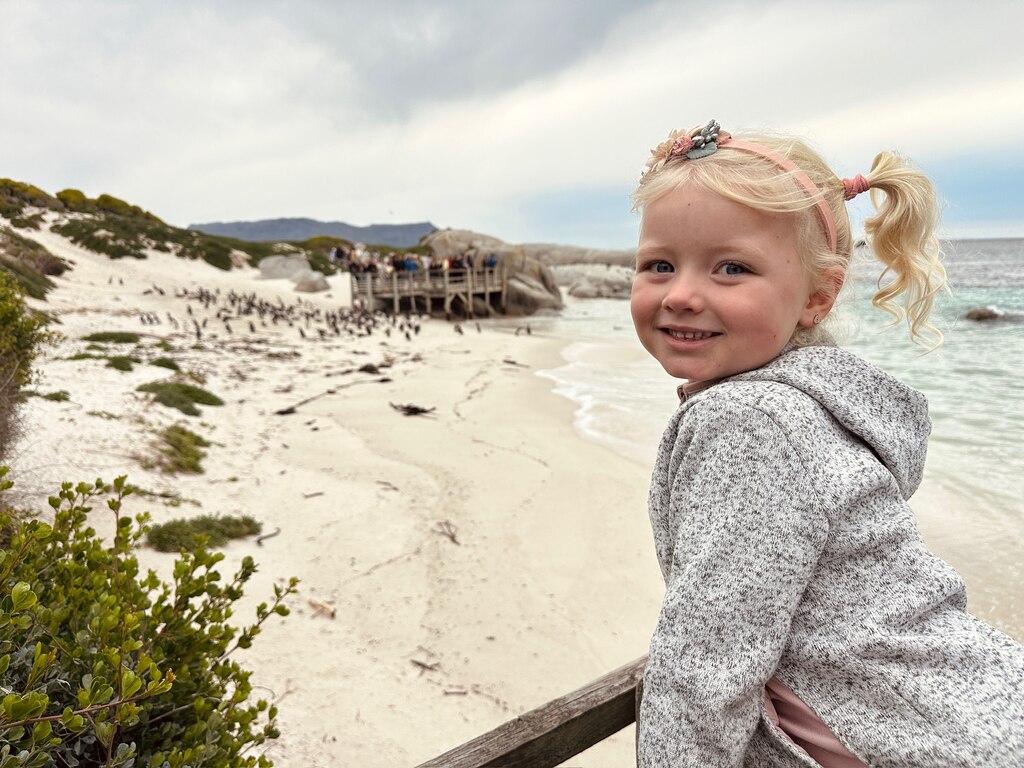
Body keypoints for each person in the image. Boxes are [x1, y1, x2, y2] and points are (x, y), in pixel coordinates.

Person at [630, 120, 1024, 767]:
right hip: (971, 706)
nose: (681, 294)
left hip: (912, 742)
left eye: (732, 268)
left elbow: (705, 663)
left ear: (818, 295)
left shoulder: (748, 421)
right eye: (659, 265)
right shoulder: (819, 401)